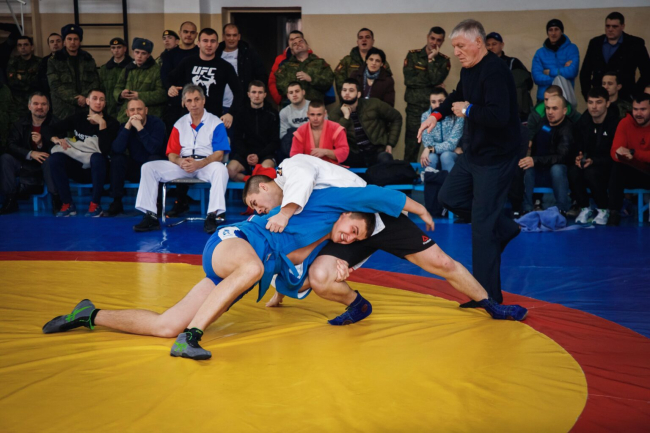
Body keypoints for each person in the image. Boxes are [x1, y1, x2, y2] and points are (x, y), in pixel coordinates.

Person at [42, 182, 422, 360]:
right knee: (252, 266)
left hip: (232, 272)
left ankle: (89, 314)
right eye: (351, 229)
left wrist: (332, 268)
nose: (348, 237)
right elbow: (370, 193)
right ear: (347, 214)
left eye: (355, 238)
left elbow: (290, 275)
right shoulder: (317, 201)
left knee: (164, 325)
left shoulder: (321, 244)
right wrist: (418, 208)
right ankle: (191, 338)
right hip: (234, 241)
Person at [243, 154, 528, 325]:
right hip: (344, 231)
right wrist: (280, 293)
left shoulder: (291, 171)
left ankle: (490, 304)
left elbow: (377, 195)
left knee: (441, 262)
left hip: (370, 215)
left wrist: (421, 209)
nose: (259, 211)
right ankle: (358, 305)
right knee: (318, 277)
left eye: (256, 203)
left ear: (265, 186)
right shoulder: (289, 209)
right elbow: (292, 252)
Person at [418, 19, 522, 306]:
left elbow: (499, 116)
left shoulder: (496, 72)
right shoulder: (469, 69)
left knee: (482, 230)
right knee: (448, 197)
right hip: (474, 153)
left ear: (478, 42)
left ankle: (487, 297)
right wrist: (435, 116)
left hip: (497, 158)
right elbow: (457, 96)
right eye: (454, 47)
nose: (456, 52)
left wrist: (470, 110)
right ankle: (505, 227)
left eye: (461, 46)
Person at [132, 84, 230, 234]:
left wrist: (200, 164)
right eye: (189, 100)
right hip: (183, 164)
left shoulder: (215, 122)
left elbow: (219, 154)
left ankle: (212, 215)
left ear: (204, 100)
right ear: (184, 103)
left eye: (197, 99)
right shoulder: (179, 124)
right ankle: (150, 216)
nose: (193, 104)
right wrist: (180, 162)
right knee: (148, 167)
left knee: (221, 169)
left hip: (206, 164)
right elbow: (171, 153)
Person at [43, 89, 120, 217]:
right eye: (94, 98)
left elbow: (104, 150)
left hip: (100, 170)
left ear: (105, 103)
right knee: (55, 158)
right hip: (78, 168)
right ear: (87, 101)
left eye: (101, 100)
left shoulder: (111, 123)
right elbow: (47, 129)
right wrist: (55, 139)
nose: (98, 102)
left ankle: (95, 205)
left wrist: (102, 124)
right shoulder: (78, 118)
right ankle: (67, 204)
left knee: (97, 157)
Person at [168, 28, 242, 129]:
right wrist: (171, 87)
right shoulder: (188, 62)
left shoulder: (225, 66)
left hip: (214, 119)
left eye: (212, 41)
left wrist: (231, 113)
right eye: (205, 41)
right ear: (198, 43)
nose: (209, 44)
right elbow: (169, 79)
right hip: (188, 118)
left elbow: (239, 92)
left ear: (217, 44)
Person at [106, 98, 167, 217]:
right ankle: (117, 201)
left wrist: (140, 128)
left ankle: (157, 203)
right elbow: (116, 149)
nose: (136, 113)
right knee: (118, 159)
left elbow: (154, 149)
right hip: (136, 168)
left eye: (139, 109)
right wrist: (127, 127)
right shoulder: (125, 126)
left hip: (155, 169)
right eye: (132, 110)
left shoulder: (157, 123)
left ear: (146, 110)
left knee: (154, 159)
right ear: (127, 113)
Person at [0, 92, 59, 215]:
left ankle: (56, 199)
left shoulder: (56, 124)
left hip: (45, 163)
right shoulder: (19, 124)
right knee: (5, 159)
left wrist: (41, 145)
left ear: (48, 107)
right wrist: (30, 153)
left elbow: (61, 147)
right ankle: (10, 199)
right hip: (24, 162)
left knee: (51, 160)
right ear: (29, 106)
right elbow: (11, 145)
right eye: (36, 104)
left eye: (43, 104)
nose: (40, 107)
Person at [569, 87, 620, 225]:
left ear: (607, 103)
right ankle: (585, 207)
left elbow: (616, 154)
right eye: (590, 102)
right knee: (574, 171)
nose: (594, 106)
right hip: (589, 162)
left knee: (591, 173)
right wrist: (578, 156)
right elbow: (576, 145)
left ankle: (604, 209)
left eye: (599, 102)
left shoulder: (616, 124)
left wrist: (594, 161)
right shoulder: (583, 122)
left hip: (609, 165)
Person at [403, 26, 451, 162]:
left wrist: (431, 60)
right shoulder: (413, 55)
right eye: (432, 38)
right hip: (415, 108)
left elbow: (436, 80)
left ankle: (432, 171)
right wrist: (431, 83)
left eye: (438, 40)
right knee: (411, 145)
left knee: (434, 145)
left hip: (434, 109)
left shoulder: (443, 61)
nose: (434, 42)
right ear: (427, 37)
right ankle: (408, 172)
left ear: (442, 42)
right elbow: (409, 80)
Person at [328, 78, 401, 167]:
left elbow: (396, 117)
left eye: (351, 90)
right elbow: (334, 138)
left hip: (376, 151)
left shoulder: (374, 104)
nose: (347, 93)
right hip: (354, 154)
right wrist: (346, 117)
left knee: (386, 159)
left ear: (358, 94)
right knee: (339, 162)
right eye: (344, 90)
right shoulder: (334, 114)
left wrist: (390, 144)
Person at [580, 11, 650, 102]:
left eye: (614, 26)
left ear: (622, 26)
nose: (610, 29)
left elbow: (647, 72)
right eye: (607, 26)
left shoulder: (635, 44)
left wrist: (635, 94)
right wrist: (588, 95)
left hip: (625, 96)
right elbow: (585, 72)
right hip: (599, 96)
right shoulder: (595, 43)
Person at [520, 95, 572, 214]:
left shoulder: (567, 129)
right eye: (548, 108)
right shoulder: (544, 122)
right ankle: (526, 209)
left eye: (554, 108)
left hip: (560, 170)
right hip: (541, 166)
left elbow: (562, 157)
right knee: (526, 165)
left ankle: (561, 209)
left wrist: (535, 160)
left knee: (557, 169)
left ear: (564, 110)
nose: (550, 112)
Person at [607, 93, 650, 226]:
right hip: (633, 171)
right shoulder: (625, 123)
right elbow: (614, 150)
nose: (638, 113)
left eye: (643, 109)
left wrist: (634, 153)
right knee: (617, 167)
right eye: (635, 109)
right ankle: (614, 212)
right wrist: (619, 154)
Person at [228, 81, 279, 182]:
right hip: (245, 154)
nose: (257, 95)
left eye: (260, 92)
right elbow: (237, 139)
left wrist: (259, 155)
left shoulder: (272, 114)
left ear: (265, 95)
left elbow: (275, 141)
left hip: (265, 154)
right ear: (248, 94)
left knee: (266, 172)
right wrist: (247, 155)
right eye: (254, 92)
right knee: (229, 171)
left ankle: (254, 182)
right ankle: (250, 180)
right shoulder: (240, 113)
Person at [47, 24, 100, 120]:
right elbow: (55, 85)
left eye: (76, 39)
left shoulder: (88, 59)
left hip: (85, 106)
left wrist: (84, 97)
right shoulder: (55, 60)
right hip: (63, 109)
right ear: (64, 42)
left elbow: (95, 82)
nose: (72, 42)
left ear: (80, 42)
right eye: (69, 39)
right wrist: (76, 99)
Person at [215, 23, 268, 116]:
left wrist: (252, 97)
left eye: (234, 35)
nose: (231, 38)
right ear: (223, 36)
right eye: (228, 35)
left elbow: (261, 76)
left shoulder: (249, 54)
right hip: (219, 105)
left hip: (243, 105)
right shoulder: (215, 53)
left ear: (239, 37)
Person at [113, 37, 166, 123]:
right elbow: (117, 87)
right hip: (126, 116)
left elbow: (162, 94)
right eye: (137, 52)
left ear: (148, 55)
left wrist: (139, 96)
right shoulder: (128, 68)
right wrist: (121, 94)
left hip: (148, 117)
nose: (139, 56)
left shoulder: (157, 71)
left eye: (143, 53)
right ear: (133, 52)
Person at [160, 22, 199, 134]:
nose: (189, 35)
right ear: (180, 33)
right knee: (175, 137)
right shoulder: (169, 55)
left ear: (196, 35)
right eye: (185, 32)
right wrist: (169, 87)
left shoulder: (200, 53)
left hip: (196, 103)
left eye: (192, 32)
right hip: (175, 103)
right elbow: (164, 75)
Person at [485, 32, 533, 121]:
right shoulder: (482, 65)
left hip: (513, 112)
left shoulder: (513, 62)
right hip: (489, 112)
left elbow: (528, 83)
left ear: (502, 45)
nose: (491, 47)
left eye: (494, 44)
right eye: (488, 45)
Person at [275, 35, 334, 107]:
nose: (298, 44)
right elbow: (280, 86)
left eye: (301, 41)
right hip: (292, 107)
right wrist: (295, 92)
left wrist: (311, 79)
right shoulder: (285, 66)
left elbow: (328, 81)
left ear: (308, 46)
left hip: (315, 107)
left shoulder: (320, 63)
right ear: (292, 51)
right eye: (294, 44)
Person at [531, 19, 580, 104]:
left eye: (556, 29)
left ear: (562, 32)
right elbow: (537, 77)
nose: (553, 33)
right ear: (547, 33)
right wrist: (560, 78)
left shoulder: (572, 49)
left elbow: (572, 71)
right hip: (543, 100)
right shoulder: (540, 53)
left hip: (565, 98)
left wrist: (549, 72)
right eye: (550, 30)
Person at [290, 100, 349, 165]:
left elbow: (344, 152)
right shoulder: (300, 131)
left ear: (325, 114)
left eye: (319, 114)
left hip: (331, 168)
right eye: (312, 114)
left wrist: (326, 152)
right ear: (307, 114)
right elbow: (295, 156)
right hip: (307, 167)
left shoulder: (336, 128)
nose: (315, 118)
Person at [334, 28, 391, 94]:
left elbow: (387, 80)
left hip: (375, 98)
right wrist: (345, 96)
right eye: (361, 38)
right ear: (357, 42)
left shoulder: (380, 60)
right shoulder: (347, 60)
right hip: (352, 98)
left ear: (373, 41)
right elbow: (339, 79)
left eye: (367, 37)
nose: (364, 40)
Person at [419, 88, 464, 171]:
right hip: (440, 152)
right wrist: (430, 148)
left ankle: (450, 180)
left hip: (452, 154)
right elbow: (428, 143)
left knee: (445, 156)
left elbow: (452, 143)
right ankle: (429, 179)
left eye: (441, 101)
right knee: (430, 158)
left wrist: (430, 148)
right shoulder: (426, 116)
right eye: (433, 102)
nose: (437, 105)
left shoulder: (457, 115)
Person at [6, 36, 41, 122]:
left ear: (32, 47)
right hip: (17, 103)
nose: (23, 47)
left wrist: (21, 77)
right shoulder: (13, 62)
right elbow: (12, 82)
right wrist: (29, 80)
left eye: (26, 44)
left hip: (35, 101)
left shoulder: (39, 62)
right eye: (20, 45)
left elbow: (38, 81)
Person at [268, 30, 308, 105]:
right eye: (291, 39)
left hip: (309, 102)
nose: (294, 42)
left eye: (297, 38)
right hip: (287, 102)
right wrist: (279, 99)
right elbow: (272, 81)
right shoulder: (281, 60)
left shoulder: (314, 60)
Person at [98, 37, 132, 118]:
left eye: (119, 47)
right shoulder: (105, 69)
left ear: (125, 49)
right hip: (110, 109)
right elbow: (101, 89)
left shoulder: (132, 67)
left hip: (128, 108)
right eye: (113, 48)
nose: (116, 50)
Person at [279, 81, 309, 160]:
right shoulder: (284, 112)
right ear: (288, 96)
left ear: (303, 92)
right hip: (293, 146)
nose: (294, 94)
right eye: (291, 93)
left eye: (297, 91)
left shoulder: (314, 107)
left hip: (313, 143)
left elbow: (324, 129)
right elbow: (283, 135)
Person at [37, 33, 63, 98]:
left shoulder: (68, 59)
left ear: (63, 43)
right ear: (49, 45)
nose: (55, 43)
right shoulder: (44, 61)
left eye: (58, 41)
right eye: (52, 42)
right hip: (48, 95)